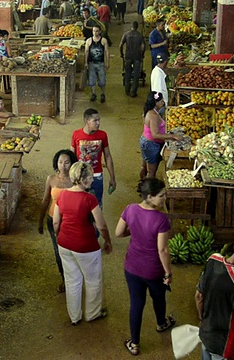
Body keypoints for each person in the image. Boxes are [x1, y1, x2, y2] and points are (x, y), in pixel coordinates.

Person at [116, 178, 176, 356]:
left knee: (136, 304)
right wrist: (168, 272)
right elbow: (162, 249)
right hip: (153, 270)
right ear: (149, 197)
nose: (165, 199)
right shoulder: (161, 220)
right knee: (158, 297)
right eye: (161, 196)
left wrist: (133, 231)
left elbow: (119, 233)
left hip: (132, 267)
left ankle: (134, 343)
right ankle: (161, 323)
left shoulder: (130, 209)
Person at [53, 161, 112, 326]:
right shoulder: (89, 199)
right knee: (93, 280)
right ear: (84, 180)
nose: (92, 180)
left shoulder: (62, 195)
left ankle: (74, 317)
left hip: (64, 244)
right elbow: (101, 225)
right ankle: (92, 313)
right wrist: (107, 241)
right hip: (86, 246)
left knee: (72, 280)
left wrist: (61, 237)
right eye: (91, 178)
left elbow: (56, 223)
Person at [38, 149, 79, 294]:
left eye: (67, 162)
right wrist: (40, 220)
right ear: (56, 163)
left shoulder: (75, 180)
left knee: (72, 251)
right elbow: (45, 200)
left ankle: (74, 278)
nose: (63, 165)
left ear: (72, 164)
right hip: (52, 220)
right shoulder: (51, 179)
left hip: (70, 221)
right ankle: (65, 279)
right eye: (60, 162)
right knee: (58, 252)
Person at [71, 108, 116, 205]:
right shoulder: (76, 134)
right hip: (80, 175)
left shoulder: (103, 135)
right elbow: (72, 156)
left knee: (97, 203)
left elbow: (107, 156)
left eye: (99, 120)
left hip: (96, 175)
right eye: (95, 120)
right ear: (87, 121)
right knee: (79, 203)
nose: (98, 123)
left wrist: (112, 177)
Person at [140, 92, 181, 180]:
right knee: (151, 172)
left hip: (145, 141)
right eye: (161, 101)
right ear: (156, 103)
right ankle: (149, 190)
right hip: (151, 145)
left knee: (144, 166)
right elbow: (155, 135)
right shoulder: (153, 115)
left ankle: (142, 183)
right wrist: (172, 136)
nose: (163, 102)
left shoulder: (149, 111)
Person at [119, 21, 145, 98]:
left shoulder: (126, 34)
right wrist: (142, 55)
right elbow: (143, 47)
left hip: (128, 56)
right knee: (136, 74)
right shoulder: (140, 35)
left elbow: (120, 45)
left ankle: (127, 89)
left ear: (131, 26)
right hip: (137, 56)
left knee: (128, 73)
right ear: (137, 27)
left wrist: (121, 54)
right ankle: (133, 91)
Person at [85, 26, 109, 103]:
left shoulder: (103, 41)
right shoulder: (89, 41)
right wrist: (86, 62)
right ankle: (94, 93)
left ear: (100, 32)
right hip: (91, 63)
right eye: (94, 31)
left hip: (100, 64)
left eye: (97, 31)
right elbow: (86, 52)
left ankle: (103, 93)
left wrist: (107, 62)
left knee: (102, 80)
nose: (95, 33)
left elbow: (107, 52)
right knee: (92, 80)